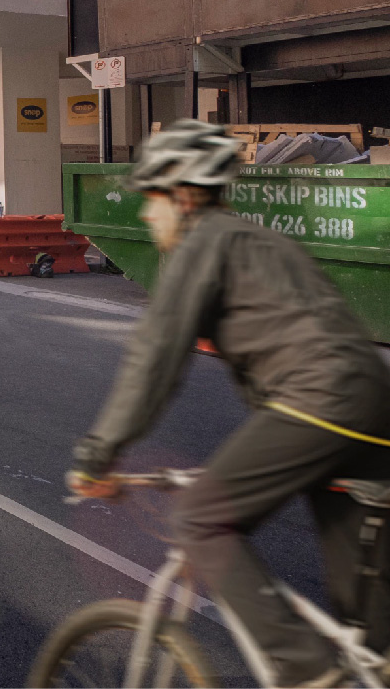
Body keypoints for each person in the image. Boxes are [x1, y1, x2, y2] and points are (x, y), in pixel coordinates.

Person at [68, 120, 390, 688]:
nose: (148, 215)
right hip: (372, 410)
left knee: (201, 517)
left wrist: (99, 455)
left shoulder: (203, 243)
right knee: (364, 629)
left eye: (153, 200)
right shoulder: (261, 240)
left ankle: (306, 671)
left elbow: (155, 359)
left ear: (184, 195)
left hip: (317, 401)